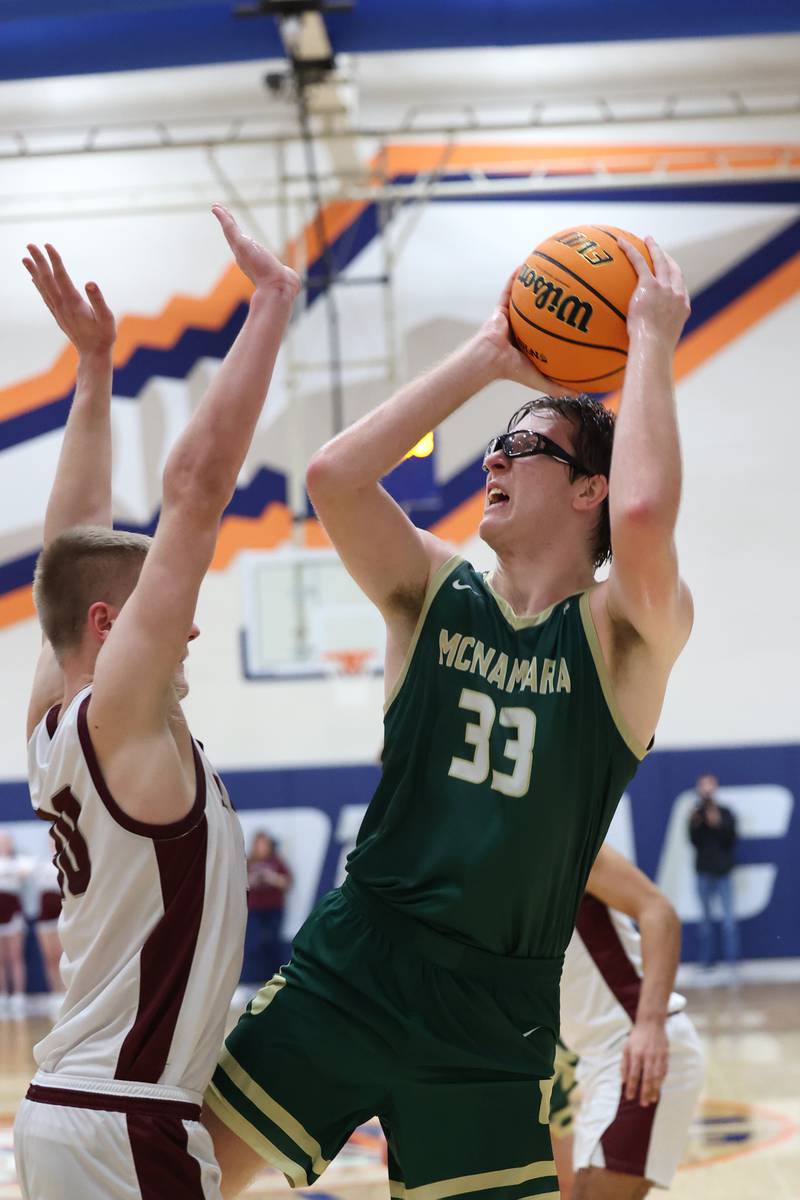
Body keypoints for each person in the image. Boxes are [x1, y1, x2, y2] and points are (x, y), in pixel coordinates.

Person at [203, 235, 693, 1199]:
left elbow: (642, 520)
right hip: (361, 958)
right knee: (183, 1182)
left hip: (497, 1011)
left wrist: (650, 348)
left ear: (588, 488)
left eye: (528, 447)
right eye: (497, 443)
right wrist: (489, 355)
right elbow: (336, 477)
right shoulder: (432, 591)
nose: (496, 458)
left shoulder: (624, 636)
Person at [14, 211, 299, 1200]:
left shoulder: (58, 716)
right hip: (119, 1123)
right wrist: (269, 305)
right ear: (109, 626)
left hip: (86, 1114)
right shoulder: (117, 717)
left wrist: (92, 370)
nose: (185, 630)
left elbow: (71, 538)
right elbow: (195, 486)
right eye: (162, 613)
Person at [552, 844, 704, 1200]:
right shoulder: (486, 878)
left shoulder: (569, 843)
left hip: (641, 1051)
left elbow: (659, 912)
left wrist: (650, 1025)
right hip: (597, 1062)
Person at [688, 773, 739, 969]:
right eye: (703, 786)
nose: (707, 791)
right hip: (704, 871)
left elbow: (731, 839)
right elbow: (693, 840)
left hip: (723, 871)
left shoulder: (725, 812)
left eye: (710, 786)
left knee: (729, 921)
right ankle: (707, 962)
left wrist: (717, 823)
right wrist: (698, 823)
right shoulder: (695, 814)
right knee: (705, 922)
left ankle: (732, 962)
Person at [243, 832, 292, 985]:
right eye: (259, 844)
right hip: (254, 910)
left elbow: (287, 882)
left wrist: (271, 877)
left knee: (272, 943)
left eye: (265, 844)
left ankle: (274, 981)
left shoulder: (277, 862)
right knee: (253, 945)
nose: (262, 847)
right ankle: (251, 982)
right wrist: (254, 879)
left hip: (273, 909)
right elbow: (240, 885)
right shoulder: (248, 863)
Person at [0, 833, 34, 1018]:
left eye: (5, 842)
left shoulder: (20, 861)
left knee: (15, 957)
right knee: (1, 960)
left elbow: (25, 872)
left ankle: (18, 997)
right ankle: (3, 996)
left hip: (13, 914)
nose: (2, 845)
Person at [33, 836, 64, 1001]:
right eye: (51, 841)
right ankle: (56, 993)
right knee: (50, 958)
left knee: (63, 956)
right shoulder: (40, 864)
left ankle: (68, 993)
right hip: (45, 917)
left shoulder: (66, 863)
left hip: (62, 915)